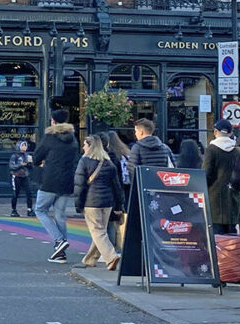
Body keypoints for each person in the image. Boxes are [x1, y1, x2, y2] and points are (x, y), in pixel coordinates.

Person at [72, 132, 124, 269]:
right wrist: (119, 205)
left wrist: (78, 205)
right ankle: (89, 260)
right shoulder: (108, 163)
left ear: (90, 146)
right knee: (100, 232)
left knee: (98, 232)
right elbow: (117, 187)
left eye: (84, 145)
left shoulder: (84, 161)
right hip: (107, 203)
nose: (83, 147)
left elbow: (79, 186)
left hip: (91, 202)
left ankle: (111, 257)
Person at [33, 109, 79, 263]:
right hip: (67, 181)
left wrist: (41, 161)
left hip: (50, 181)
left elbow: (36, 157)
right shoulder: (73, 139)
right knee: (60, 215)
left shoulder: (49, 137)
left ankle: (59, 240)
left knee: (40, 210)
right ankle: (60, 253)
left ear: (53, 121)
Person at [204, 120, 240, 236]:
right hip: (232, 198)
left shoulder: (211, 149)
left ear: (215, 131)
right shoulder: (237, 150)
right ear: (231, 133)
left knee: (216, 238)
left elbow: (206, 174)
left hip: (214, 198)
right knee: (231, 237)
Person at [127, 118, 174, 184]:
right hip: (162, 185)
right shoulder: (165, 148)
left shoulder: (137, 148)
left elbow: (132, 169)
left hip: (145, 186)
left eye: (136, 131)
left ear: (141, 132)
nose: (135, 134)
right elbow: (173, 168)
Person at [9, 139, 35, 218]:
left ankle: (29, 209)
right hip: (16, 176)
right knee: (15, 193)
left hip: (25, 176)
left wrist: (30, 164)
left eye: (25, 145)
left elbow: (30, 167)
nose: (24, 147)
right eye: (23, 145)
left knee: (29, 192)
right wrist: (21, 165)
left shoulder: (27, 155)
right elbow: (12, 166)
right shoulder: (14, 156)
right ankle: (14, 210)